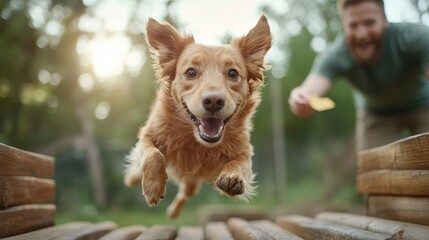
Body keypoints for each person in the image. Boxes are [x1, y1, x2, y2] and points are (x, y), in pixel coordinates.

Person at [288, 0, 429, 151]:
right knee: (374, 169)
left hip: (423, 105)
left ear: (385, 20)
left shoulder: (415, 37)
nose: (362, 34)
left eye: (369, 23)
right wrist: (300, 97)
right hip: (375, 115)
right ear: (343, 25)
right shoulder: (336, 54)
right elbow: (309, 90)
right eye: (353, 25)